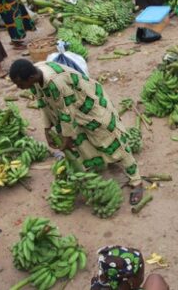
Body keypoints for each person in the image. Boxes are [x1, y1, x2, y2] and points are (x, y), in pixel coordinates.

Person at [9, 59, 145, 204]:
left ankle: (136, 181)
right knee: (82, 142)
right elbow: (42, 102)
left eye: (20, 84)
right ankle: (103, 162)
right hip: (74, 112)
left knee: (112, 141)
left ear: (30, 78)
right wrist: (47, 128)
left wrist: (66, 138)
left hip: (90, 107)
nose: (19, 87)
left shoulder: (56, 82)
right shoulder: (35, 74)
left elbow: (66, 113)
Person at [90, 246, 170, 290]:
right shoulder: (131, 283)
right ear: (132, 280)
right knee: (155, 278)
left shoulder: (97, 285)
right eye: (140, 271)